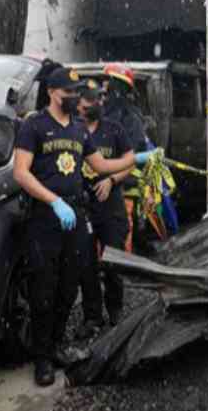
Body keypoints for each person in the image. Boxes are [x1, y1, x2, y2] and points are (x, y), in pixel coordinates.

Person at [13, 66, 157, 387]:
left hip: (76, 215)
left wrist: (137, 160)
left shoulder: (79, 130)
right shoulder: (34, 126)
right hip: (46, 216)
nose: (75, 99)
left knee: (69, 285)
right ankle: (42, 359)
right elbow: (21, 173)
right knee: (44, 288)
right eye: (69, 94)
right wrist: (53, 201)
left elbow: (102, 165)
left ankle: (55, 345)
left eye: (77, 94)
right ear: (52, 93)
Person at [75, 80, 134, 339]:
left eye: (97, 99)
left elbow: (130, 163)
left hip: (111, 208)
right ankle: (92, 317)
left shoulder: (115, 129)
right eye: (89, 100)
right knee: (86, 265)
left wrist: (111, 180)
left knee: (113, 261)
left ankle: (115, 310)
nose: (94, 104)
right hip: (83, 209)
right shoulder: (73, 131)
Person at [101, 64, 149, 252]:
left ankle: (120, 270)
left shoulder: (129, 118)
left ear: (116, 86)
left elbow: (134, 153)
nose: (103, 87)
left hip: (124, 188)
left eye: (107, 83)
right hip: (105, 186)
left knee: (120, 234)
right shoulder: (106, 112)